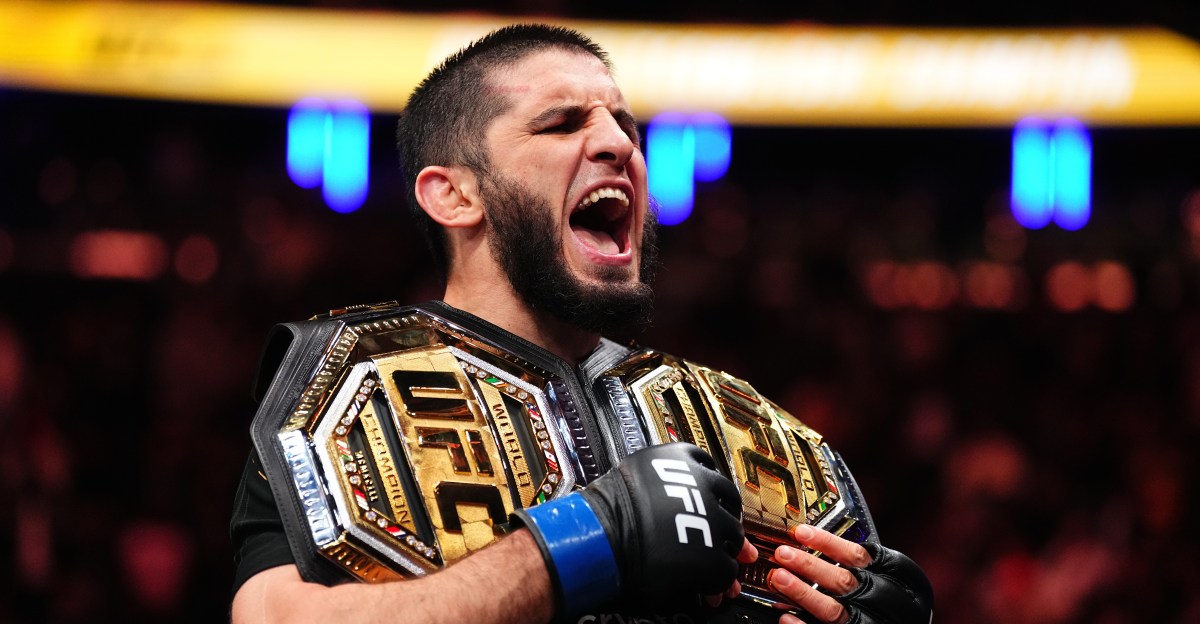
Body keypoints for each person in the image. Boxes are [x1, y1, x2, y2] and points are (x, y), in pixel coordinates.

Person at [230, 24, 932, 624]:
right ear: (454, 193)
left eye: (625, 126)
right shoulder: (344, 386)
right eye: (564, 123)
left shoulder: (741, 420)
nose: (620, 144)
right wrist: (578, 544)